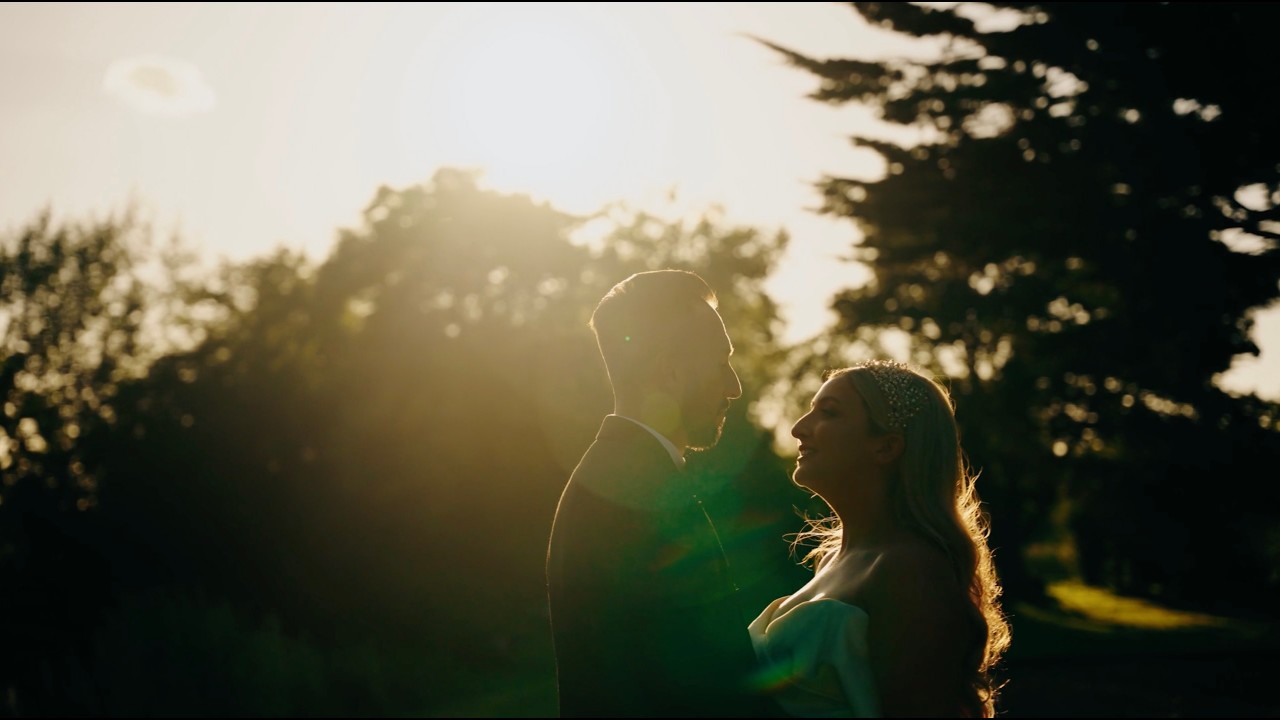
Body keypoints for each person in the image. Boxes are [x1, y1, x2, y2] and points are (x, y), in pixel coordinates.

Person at [546, 269, 778, 718]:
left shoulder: (622, 474)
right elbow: (711, 687)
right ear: (672, 373)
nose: (734, 387)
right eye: (722, 363)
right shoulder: (638, 493)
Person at [748, 360, 1011, 718]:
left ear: (886, 448)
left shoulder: (910, 569)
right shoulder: (831, 560)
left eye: (829, 413)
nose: (798, 429)